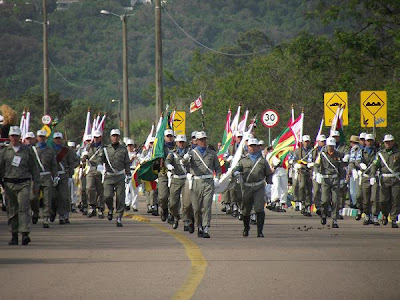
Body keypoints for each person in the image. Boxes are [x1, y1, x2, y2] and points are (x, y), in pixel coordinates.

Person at [0, 126, 40, 245]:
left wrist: (36, 183)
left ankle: (25, 233)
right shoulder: (4, 152)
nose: (14, 138)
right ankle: (14, 234)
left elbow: (34, 168)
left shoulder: (27, 151)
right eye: (12, 136)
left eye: (16, 136)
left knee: (24, 207)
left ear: (20, 137)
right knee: (12, 209)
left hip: (24, 183)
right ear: (9, 137)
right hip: (9, 184)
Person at [184, 131, 221, 238]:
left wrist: (218, 177)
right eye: (201, 140)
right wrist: (185, 160)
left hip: (208, 182)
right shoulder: (192, 153)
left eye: (204, 139)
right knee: (196, 208)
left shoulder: (212, 154)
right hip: (196, 182)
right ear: (197, 141)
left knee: (207, 206)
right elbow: (185, 165)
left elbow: (217, 168)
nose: (203, 141)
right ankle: (199, 225)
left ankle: (205, 228)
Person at [236, 138, 273, 237]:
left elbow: (268, 174)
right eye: (250, 146)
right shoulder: (243, 160)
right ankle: (246, 228)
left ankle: (260, 231)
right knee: (246, 210)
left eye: (254, 146)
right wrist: (236, 172)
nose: (252, 148)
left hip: (259, 187)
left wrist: (269, 185)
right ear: (247, 147)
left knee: (259, 208)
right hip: (247, 187)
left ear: (257, 147)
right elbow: (237, 168)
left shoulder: (263, 161)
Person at [102, 129, 131, 227]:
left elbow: (127, 162)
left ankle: (119, 217)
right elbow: (100, 160)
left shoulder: (123, 149)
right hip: (109, 176)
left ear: (119, 137)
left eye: (117, 136)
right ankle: (110, 208)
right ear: (110, 137)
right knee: (107, 196)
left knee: (120, 197)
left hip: (119, 176)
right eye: (113, 136)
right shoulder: (105, 149)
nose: (115, 137)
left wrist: (128, 174)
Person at [315, 136, 345, 228]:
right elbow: (317, 165)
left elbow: (341, 168)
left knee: (335, 200)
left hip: (335, 179)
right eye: (329, 146)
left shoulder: (338, 155)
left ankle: (334, 220)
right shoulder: (321, 155)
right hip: (325, 179)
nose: (331, 148)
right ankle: (324, 214)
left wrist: (342, 179)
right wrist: (317, 174)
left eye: (332, 146)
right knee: (325, 200)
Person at [371, 134, 400, 228]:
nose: (388, 143)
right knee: (383, 201)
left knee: (395, 200)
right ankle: (385, 214)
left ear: (393, 142)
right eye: (386, 142)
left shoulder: (398, 153)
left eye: (390, 141)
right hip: (384, 180)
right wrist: (372, 176)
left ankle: (394, 219)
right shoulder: (380, 154)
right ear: (384, 143)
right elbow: (375, 165)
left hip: (395, 179)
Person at [32, 130, 58, 228]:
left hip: (47, 176)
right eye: (40, 136)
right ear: (37, 138)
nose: (41, 138)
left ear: (45, 138)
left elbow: (54, 165)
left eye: (43, 137)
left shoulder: (50, 150)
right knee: (33, 198)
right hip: (36, 176)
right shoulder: (33, 150)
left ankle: (45, 218)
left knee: (47, 198)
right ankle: (35, 212)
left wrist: (55, 176)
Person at [52, 132, 78, 224]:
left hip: (63, 175)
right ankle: (53, 212)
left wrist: (70, 173)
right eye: (56, 138)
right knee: (53, 196)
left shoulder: (66, 150)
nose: (58, 140)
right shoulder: (50, 150)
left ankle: (63, 214)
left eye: (59, 138)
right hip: (52, 176)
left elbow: (72, 162)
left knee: (64, 196)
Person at [165, 134, 190, 229]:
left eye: (183, 142)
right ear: (176, 142)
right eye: (179, 142)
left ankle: (186, 220)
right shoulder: (172, 153)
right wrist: (168, 166)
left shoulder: (190, 152)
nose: (181, 144)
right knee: (173, 203)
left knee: (186, 203)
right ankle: (175, 216)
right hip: (175, 179)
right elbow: (167, 161)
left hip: (186, 179)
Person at [356, 134, 380, 225]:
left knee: (374, 198)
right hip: (365, 177)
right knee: (365, 199)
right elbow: (357, 161)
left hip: (374, 177)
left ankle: (375, 216)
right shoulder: (361, 151)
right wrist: (360, 165)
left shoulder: (378, 151)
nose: (369, 142)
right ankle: (367, 215)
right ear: (365, 142)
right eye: (367, 140)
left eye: (371, 140)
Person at [82, 130, 105, 218]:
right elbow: (83, 158)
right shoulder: (88, 147)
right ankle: (92, 205)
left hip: (101, 169)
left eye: (98, 137)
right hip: (91, 169)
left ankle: (100, 208)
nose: (96, 139)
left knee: (100, 189)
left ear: (101, 137)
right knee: (89, 187)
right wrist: (84, 156)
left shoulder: (104, 147)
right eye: (95, 137)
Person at [292, 135, 314, 216]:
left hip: (311, 171)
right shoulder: (298, 151)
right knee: (301, 186)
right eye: (305, 141)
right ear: (302, 142)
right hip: (301, 171)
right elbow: (293, 160)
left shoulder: (313, 150)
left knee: (309, 189)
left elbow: (317, 159)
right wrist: (295, 165)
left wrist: (313, 164)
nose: (307, 143)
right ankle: (301, 200)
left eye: (308, 141)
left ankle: (307, 206)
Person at [158, 129, 175, 223]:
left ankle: (171, 214)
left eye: (170, 136)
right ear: (164, 137)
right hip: (163, 173)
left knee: (173, 197)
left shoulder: (176, 146)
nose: (169, 138)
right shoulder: (160, 147)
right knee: (163, 196)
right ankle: (164, 209)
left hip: (174, 173)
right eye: (167, 136)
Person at [125, 139, 139, 212]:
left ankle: (134, 205)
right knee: (127, 189)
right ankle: (127, 203)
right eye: (128, 145)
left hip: (135, 171)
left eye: (131, 145)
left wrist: (136, 158)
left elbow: (141, 162)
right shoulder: (125, 154)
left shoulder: (137, 154)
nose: (130, 147)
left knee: (135, 189)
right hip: (128, 172)